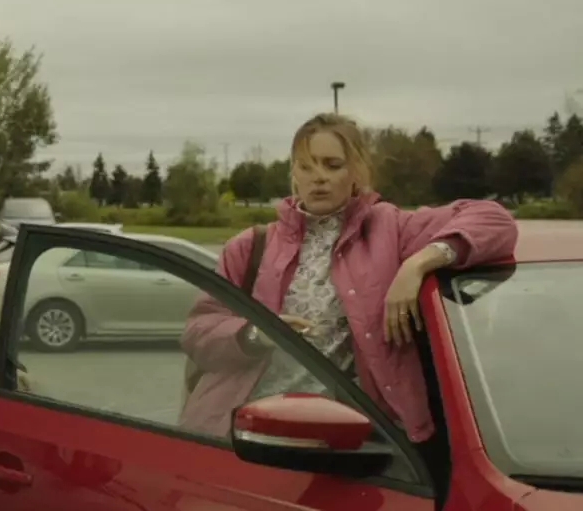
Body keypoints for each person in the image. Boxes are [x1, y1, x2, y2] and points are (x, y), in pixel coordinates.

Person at [180, 113, 517, 498]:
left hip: (354, 448)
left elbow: (494, 220)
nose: (318, 177)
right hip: (252, 439)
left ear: (356, 171)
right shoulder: (249, 247)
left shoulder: (390, 230)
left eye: (332, 165)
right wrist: (257, 333)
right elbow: (197, 333)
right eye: (306, 166)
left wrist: (418, 263)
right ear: (293, 173)